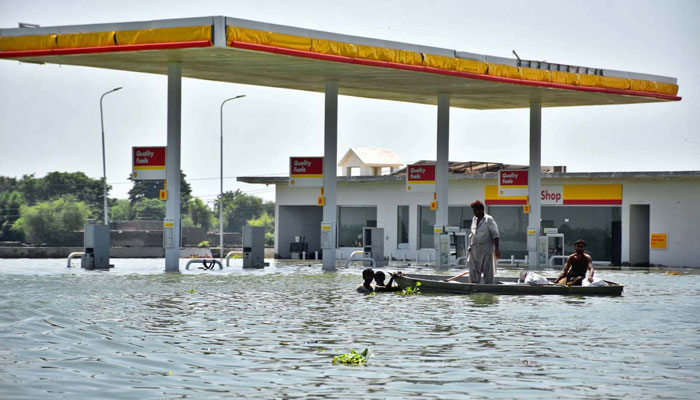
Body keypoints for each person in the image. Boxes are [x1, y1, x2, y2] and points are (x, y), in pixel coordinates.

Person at [445, 200, 500, 284]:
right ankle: (474, 287)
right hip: (474, 249)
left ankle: (489, 288)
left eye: (475, 210)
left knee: (488, 272)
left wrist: (497, 249)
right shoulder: (474, 219)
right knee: (473, 271)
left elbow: (495, 235)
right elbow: (473, 234)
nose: (474, 212)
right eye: (473, 210)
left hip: (486, 250)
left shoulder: (488, 220)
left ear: (481, 210)